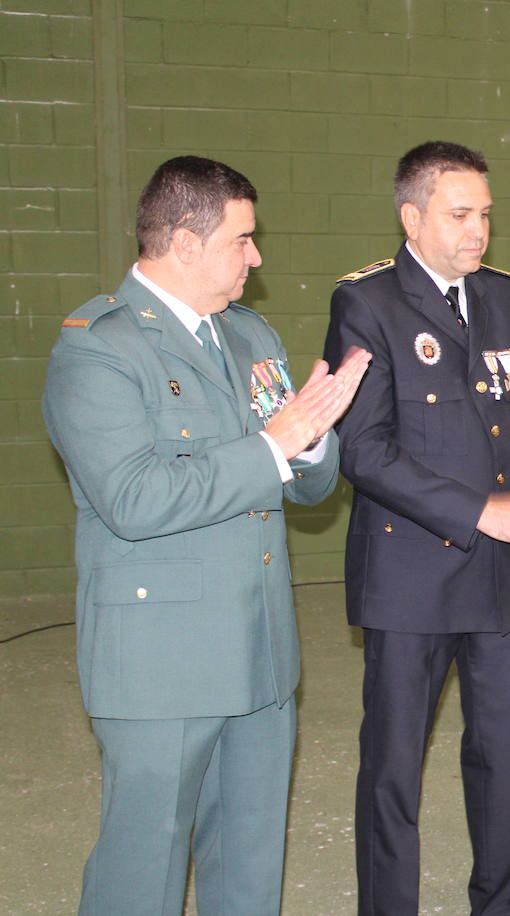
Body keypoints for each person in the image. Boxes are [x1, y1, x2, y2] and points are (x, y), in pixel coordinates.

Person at [42, 155, 371, 916]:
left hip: (259, 651)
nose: (256, 258)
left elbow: (309, 488)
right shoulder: (99, 347)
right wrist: (274, 444)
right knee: (141, 876)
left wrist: (313, 436)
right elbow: (133, 498)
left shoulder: (249, 336)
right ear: (186, 243)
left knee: (248, 871)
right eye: (242, 240)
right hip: (161, 663)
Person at [323, 141, 510, 916]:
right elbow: (363, 450)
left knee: (508, 763)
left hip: (507, 582)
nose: (478, 231)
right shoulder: (368, 304)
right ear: (413, 218)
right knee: (393, 771)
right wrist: (480, 510)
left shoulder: (509, 299)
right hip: (411, 579)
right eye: (460, 215)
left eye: (486, 216)